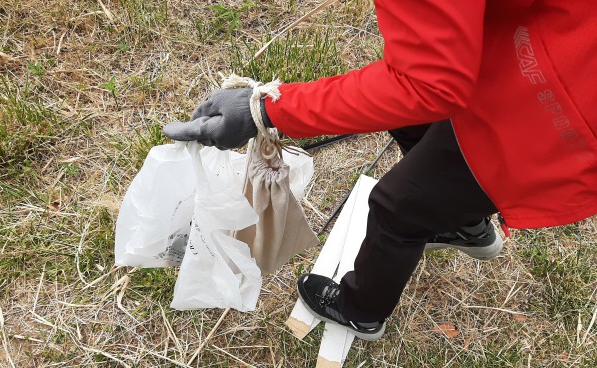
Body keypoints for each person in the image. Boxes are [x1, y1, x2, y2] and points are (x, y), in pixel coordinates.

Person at [164, 1, 597, 341]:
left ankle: (361, 311)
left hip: (560, 117)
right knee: (409, 122)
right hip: (546, 52)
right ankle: (463, 225)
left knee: (397, 208)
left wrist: (264, 109)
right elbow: (430, 79)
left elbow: (426, 86)